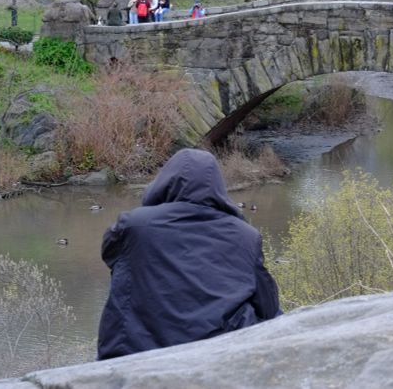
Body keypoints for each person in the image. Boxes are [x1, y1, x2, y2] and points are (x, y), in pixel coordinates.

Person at [97, 148, 281, 360]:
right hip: (218, 356)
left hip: (136, 353)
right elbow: (268, 306)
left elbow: (109, 255)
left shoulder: (135, 226)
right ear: (218, 187)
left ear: (163, 181)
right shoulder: (246, 236)